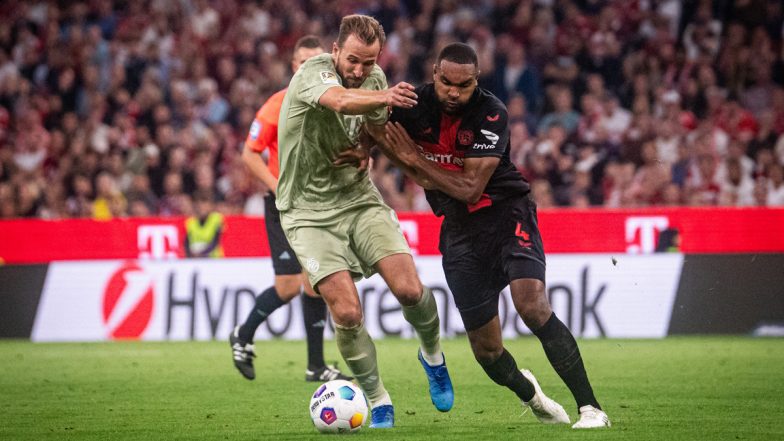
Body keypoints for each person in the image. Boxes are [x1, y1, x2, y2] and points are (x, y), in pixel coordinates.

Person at [376, 43, 610, 429]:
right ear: (434, 73)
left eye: (463, 85)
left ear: (476, 80)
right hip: (459, 233)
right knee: (487, 351)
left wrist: (414, 162)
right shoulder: (410, 103)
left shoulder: (491, 112)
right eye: (446, 82)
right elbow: (374, 126)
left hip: (507, 214)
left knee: (532, 306)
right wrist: (362, 151)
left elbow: (470, 188)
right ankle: (532, 395)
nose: (453, 92)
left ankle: (591, 408)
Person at [274, 15, 453, 429]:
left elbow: (375, 126)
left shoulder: (375, 80)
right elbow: (338, 101)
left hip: (358, 199)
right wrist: (387, 97)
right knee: (348, 312)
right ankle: (378, 399)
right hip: (307, 213)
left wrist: (367, 146)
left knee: (410, 289)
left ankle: (433, 357)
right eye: (353, 60)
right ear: (335, 51)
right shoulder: (311, 73)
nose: (359, 70)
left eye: (368, 63)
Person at [230, 35, 353, 383]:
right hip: (284, 204)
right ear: (293, 66)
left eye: (316, 62)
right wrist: (277, 188)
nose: (307, 68)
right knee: (286, 286)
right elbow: (248, 153)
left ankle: (316, 366)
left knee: (316, 284)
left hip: (318, 204)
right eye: (302, 62)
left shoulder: (331, 104)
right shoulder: (278, 103)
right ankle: (243, 333)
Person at [184, 190, 224, 258]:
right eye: (199, 205)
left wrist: (202, 253)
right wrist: (190, 254)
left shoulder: (217, 219)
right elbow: (186, 243)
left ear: (211, 206)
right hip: (195, 259)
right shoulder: (190, 222)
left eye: (205, 204)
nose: (202, 208)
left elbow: (215, 241)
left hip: (213, 259)